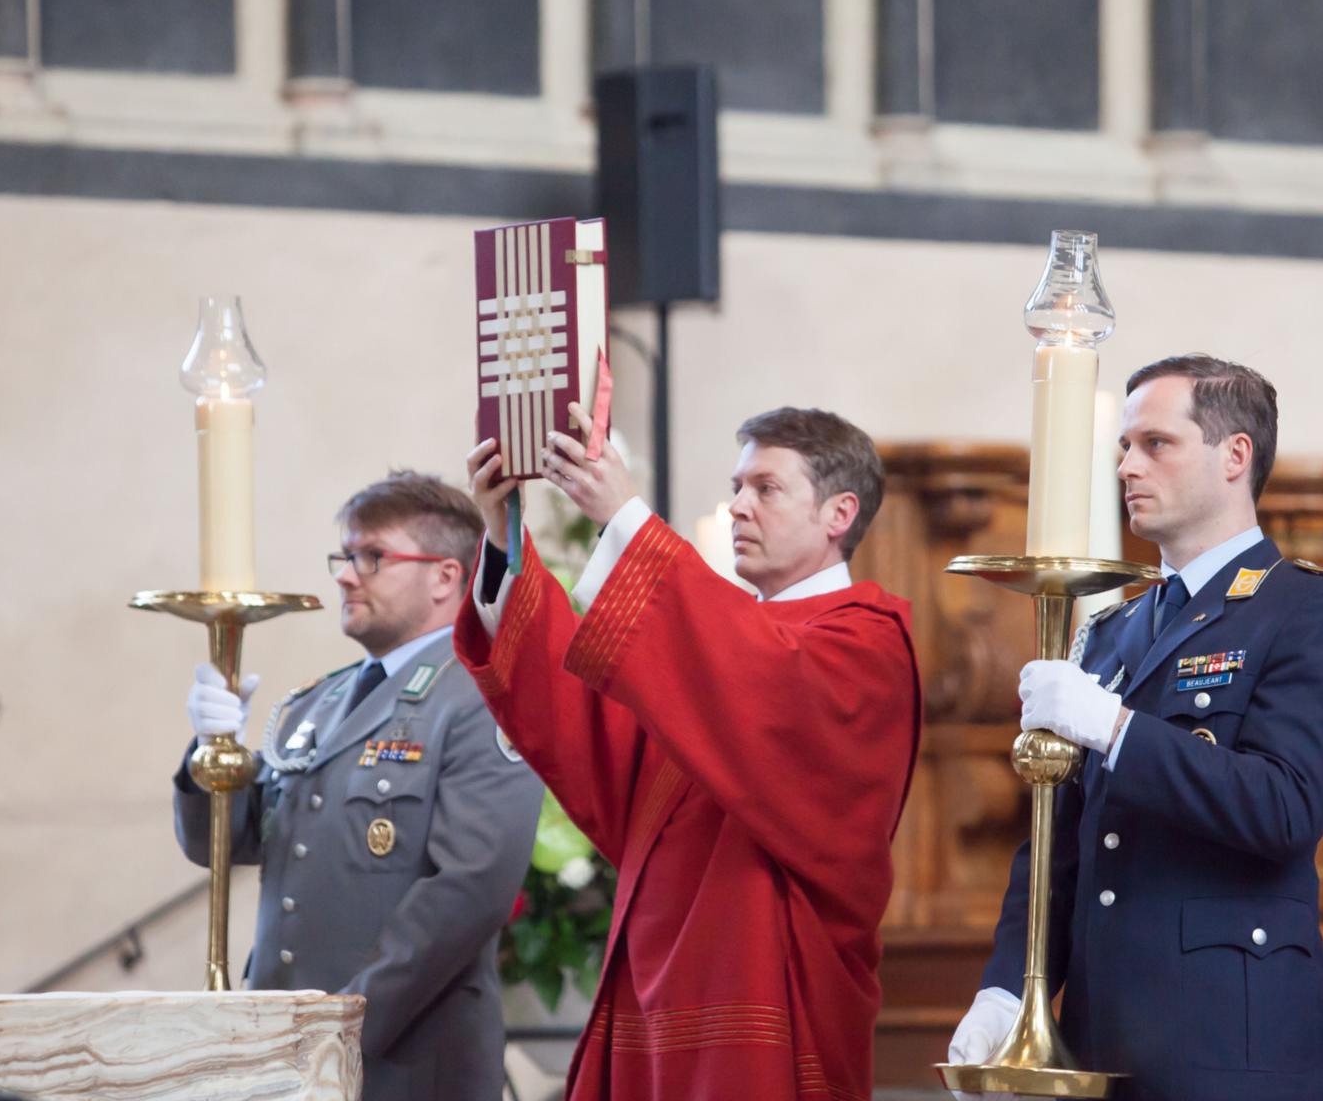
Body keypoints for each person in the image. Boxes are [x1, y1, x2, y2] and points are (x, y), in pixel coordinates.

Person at [457, 404, 921, 1101]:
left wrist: (624, 519)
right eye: (736, 487)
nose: (737, 507)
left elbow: (766, 680)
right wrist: (505, 537)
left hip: (763, 991)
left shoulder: (865, 641)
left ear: (839, 513)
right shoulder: (712, 651)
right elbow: (594, 731)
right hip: (653, 984)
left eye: (766, 488)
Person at [948, 355, 1323, 1101]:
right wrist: (1008, 989)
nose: (1126, 466)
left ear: (1234, 455)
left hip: (1233, 1045)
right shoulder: (1112, 629)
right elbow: (1061, 841)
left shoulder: (1308, 610)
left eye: (1156, 444)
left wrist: (1114, 728)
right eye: (1122, 446)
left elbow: (1284, 807)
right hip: (1103, 1041)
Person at [174, 470, 541, 1101]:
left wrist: (345, 1025)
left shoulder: (482, 697)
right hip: (285, 1050)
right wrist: (214, 750)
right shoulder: (320, 702)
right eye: (345, 555)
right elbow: (227, 840)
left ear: (445, 576)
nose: (346, 573)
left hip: (405, 1060)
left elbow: (467, 891)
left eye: (373, 556)